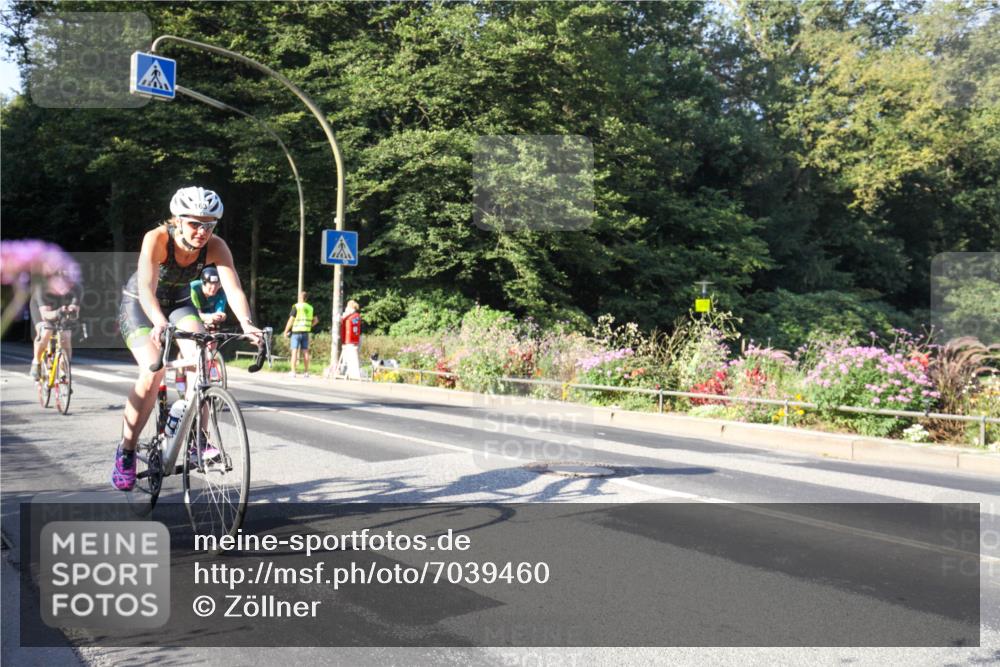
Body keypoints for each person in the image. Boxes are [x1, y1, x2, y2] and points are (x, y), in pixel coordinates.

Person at [112, 186, 262, 491]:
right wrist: (158, 322)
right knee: (154, 368)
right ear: (177, 220)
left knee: (202, 361)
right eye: (195, 223)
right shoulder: (157, 238)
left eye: (209, 225)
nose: (202, 232)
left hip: (180, 303)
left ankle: (197, 440)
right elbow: (146, 287)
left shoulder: (216, 246)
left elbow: (233, 289)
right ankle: (126, 450)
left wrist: (248, 324)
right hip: (142, 305)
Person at [29, 271, 82, 380]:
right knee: (45, 332)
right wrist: (58, 312)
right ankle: (36, 362)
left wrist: (70, 312)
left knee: (65, 337)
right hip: (42, 310)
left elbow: (74, 314)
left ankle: (64, 369)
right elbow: (45, 315)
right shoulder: (42, 288)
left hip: (61, 308)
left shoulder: (77, 288)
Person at [283, 291, 319, 378]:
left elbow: (291, 320)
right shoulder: (310, 307)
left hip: (296, 332)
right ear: (306, 298)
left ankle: (293, 372)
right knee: (305, 352)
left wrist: (285, 331)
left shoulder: (296, 306)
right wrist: (310, 326)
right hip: (305, 332)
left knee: (294, 352)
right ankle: (306, 372)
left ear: (299, 297)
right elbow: (316, 320)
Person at [190, 265, 228, 329]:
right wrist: (210, 317)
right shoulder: (193, 289)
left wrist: (221, 316)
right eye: (210, 285)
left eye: (217, 284)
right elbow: (196, 314)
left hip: (209, 315)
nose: (214, 288)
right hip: (191, 313)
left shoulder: (221, 292)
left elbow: (219, 312)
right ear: (203, 283)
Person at [339, 299, 362, 379]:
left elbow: (341, 320)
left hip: (348, 339)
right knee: (355, 356)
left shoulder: (348, 314)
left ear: (349, 306)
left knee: (348, 357)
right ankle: (354, 373)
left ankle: (347, 372)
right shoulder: (357, 315)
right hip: (356, 338)